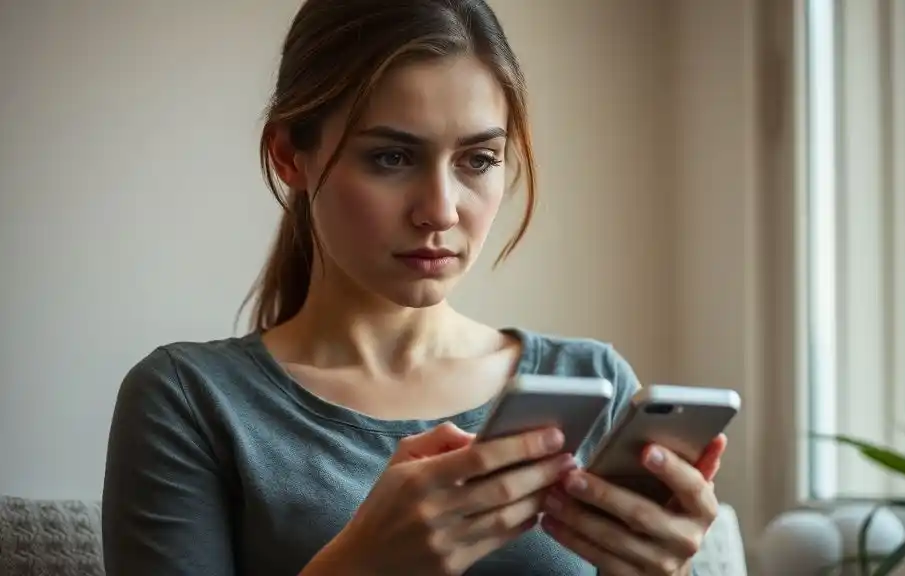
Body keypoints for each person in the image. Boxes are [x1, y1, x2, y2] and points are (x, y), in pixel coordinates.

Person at [101, 0, 728, 574]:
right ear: (290, 156)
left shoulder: (591, 383)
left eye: (477, 160)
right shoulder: (190, 402)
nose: (441, 210)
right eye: (392, 158)